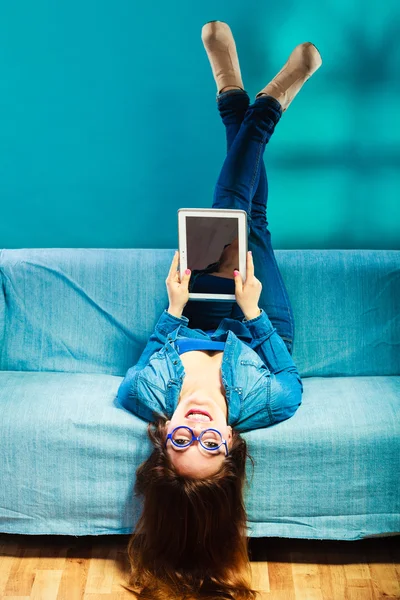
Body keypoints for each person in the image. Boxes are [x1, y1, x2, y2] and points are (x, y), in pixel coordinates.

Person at [118, 20, 322, 600]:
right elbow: (288, 377)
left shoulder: (146, 397)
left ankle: (244, 102)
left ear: (164, 438)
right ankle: (260, 105)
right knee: (242, 216)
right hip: (260, 318)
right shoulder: (267, 405)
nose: (201, 430)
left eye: (185, 442)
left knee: (237, 214)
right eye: (213, 447)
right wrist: (254, 314)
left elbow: (142, 367)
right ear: (231, 448)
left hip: (201, 311)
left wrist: (174, 310)